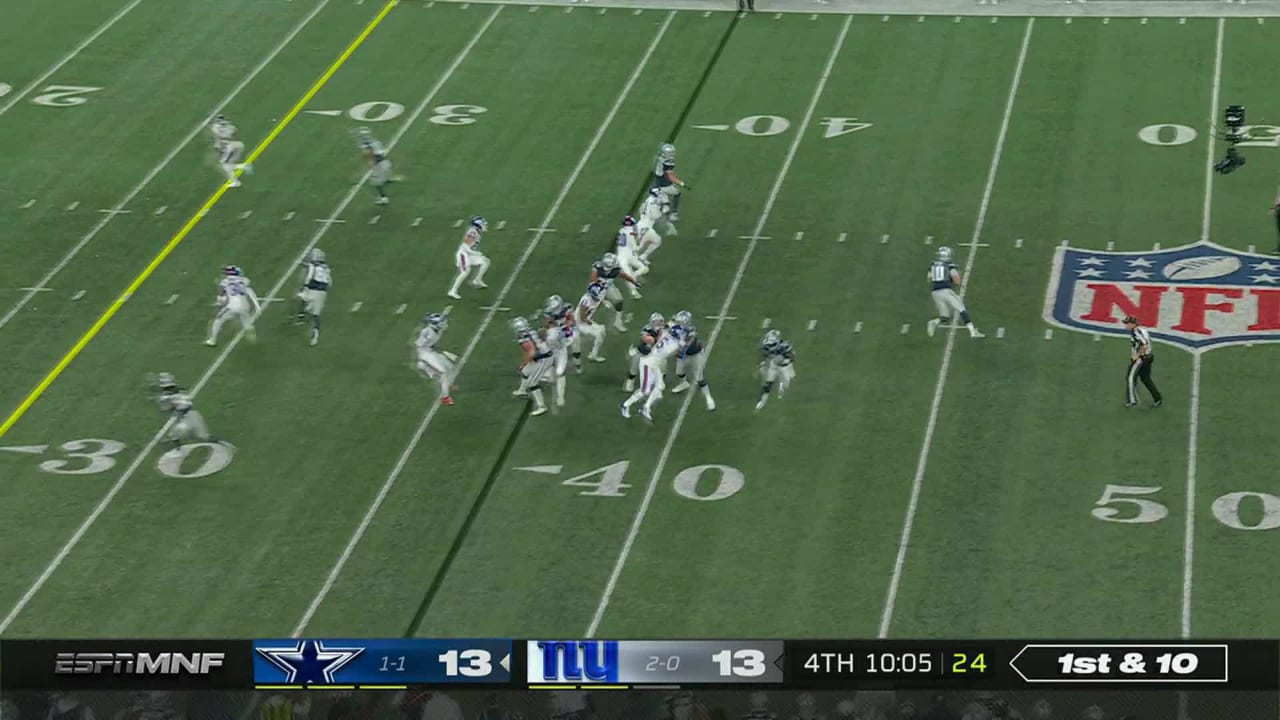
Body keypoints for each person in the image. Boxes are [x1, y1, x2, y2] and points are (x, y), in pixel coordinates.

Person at [1122, 315, 1162, 408]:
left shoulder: (1136, 332)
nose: (1125, 325)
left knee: (1130, 378)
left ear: (1133, 324)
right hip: (1149, 357)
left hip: (1141, 359)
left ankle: (1132, 400)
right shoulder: (1143, 330)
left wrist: (1137, 355)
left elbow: (1144, 345)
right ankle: (1158, 398)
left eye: (1127, 323)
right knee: (1146, 379)